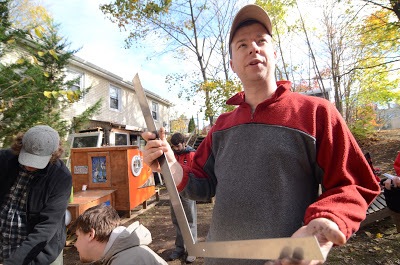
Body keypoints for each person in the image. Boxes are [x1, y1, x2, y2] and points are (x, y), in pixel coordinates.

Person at [141, 4, 381, 265]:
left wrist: (325, 220)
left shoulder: (316, 113)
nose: (253, 48)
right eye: (242, 45)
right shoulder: (221, 127)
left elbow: (354, 184)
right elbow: (201, 185)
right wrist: (171, 164)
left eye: (260, 40)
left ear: (274, 53)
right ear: (232, 64)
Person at [0, 125, 72, 264]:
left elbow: (46, 227)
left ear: (53, 155)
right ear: (20, 146)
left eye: (37, 161)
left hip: (38, 253)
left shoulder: (60, 177)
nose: (30, 166)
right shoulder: (4, 160)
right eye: (27, 158)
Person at [72, 203, 168, 265]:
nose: (75, 244)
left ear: (90, 235)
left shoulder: (126, 261)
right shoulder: (124, 253)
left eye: (77, 237)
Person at [168, 133, 197, 263]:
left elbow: (196, 173)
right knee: (177, 220)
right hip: (174, 191)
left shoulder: (192, 155)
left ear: (184, 143)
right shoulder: (172, 154)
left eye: (178, 146)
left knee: (190, 220)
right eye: (173, 147)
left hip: (188, 191)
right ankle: (179, 248)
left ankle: (192, 250)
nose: (176, 149)